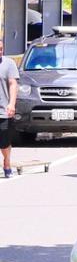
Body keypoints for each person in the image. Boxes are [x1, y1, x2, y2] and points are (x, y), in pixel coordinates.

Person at [0, 39, 19, 178]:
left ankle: (7, 161)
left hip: (3, 109)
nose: (0, 52)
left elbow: (13, 84)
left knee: (4, 142)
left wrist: (11, 103)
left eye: (1, 49)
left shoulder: (9, 64)